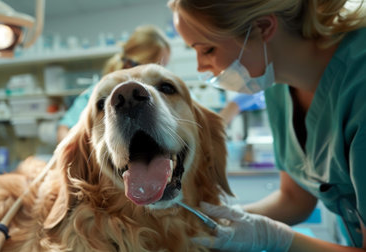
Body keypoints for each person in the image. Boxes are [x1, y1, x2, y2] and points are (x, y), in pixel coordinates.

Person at [169, 0, 366, 251]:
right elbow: (295, 199)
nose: (201, 66)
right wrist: (224, 222)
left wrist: (271, 236)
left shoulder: (360, 89)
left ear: (262, 27)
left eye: (207, 50)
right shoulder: (277, 85)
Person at [57, 25, 171, 142]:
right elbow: (64, 129)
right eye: (154, 68)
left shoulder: (162, 94)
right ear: (131, 64)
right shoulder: (98, 93)